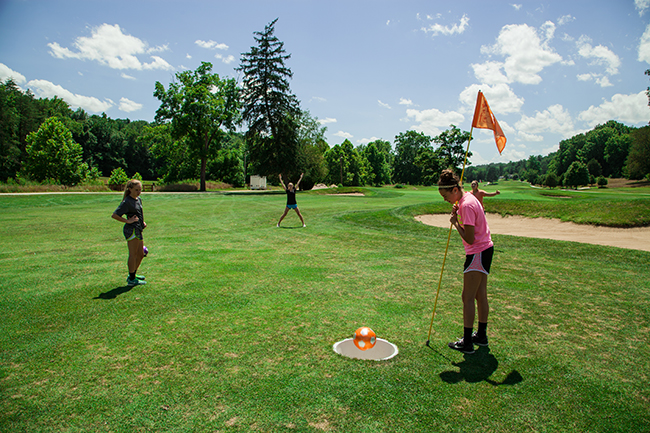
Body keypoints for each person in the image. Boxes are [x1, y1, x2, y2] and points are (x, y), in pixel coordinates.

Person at [438, 170, 494, 354]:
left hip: (477, 252)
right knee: (480, 294)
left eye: (446, 196)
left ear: (455, 189)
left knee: (467, 297)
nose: (445, 200)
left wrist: (455, 223)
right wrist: (457, 207)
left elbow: (469, 238)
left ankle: (468, 342)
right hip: (485, 250)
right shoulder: (467, 198)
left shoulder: (466, 205)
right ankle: (482, 336)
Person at [112, 179, 147, 286]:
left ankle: (133, 274)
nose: (139, 192)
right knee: (133, 254)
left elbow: (138, 213)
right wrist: (128, 221)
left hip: (138, 229)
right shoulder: (127, 202)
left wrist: (142, 222)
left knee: (141, 254)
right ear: (130, 189)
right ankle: (131, 279)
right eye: (136, 190)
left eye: (140, 190)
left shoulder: (138, 199)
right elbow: (115, 215)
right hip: (131, 230)